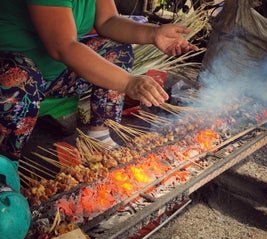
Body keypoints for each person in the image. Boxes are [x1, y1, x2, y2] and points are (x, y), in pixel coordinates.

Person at [0, 0, 198, 160]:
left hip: (53, 74)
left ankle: (100, 138)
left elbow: (108, 20)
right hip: (12, 78)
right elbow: (63, 47)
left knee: (117, 49)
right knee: (23, 78)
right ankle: (6, 164)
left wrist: (153, 33)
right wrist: (128, 82)